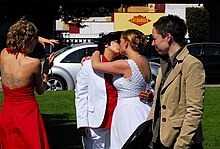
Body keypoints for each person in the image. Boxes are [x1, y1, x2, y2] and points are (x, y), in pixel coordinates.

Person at [146, 14, 205, 149]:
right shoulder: (165, 64)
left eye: (154, 39)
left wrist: (181, 144)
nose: (152, 43)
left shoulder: (191, 64)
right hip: (160, 138)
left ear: (168, 37)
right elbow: (157, 105)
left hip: (181, 141)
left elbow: (194, 110)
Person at [91, 29, 152, 149]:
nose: (119, 44)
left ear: (126, 43)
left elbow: (96, 65)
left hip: (128, 110)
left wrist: (96, 52)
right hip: (143, 107)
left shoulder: (125, 64)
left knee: (127, 142)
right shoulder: (144, 61)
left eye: (120, 41)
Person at [0, 17, 55, 149]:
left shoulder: (3, 54)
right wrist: (45, 71)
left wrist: (37, 38)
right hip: (27, 114)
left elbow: (14, 43)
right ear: (30, 40)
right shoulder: (33, 63)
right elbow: (40, 90)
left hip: (7, 112)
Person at [75, 31, 122, 149]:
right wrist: (82, 123)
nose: (121, 45)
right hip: (95, 122)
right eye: (118, 41)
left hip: (118, 120)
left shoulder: (123, 65)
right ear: (107, 44)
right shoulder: (88, 65)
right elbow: (81, 95)